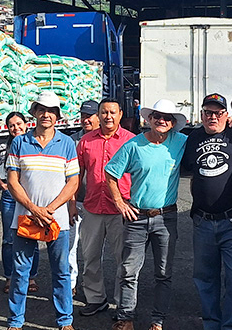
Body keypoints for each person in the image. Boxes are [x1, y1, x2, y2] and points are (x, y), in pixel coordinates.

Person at [106, 99, 188, 330]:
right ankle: (126, 318)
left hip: (167, 217)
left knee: (163, 274)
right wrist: (120, 203)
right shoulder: (134, 145)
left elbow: (209, 137)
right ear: (149, 119)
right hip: (137, 218)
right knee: (129, 271)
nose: (162, 121)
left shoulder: (181, 141)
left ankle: (158, 321)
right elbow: (111, 173)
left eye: (167, 118)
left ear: (173, 123)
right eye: (158, 116)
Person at [181, 93, 232, 330]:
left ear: (227, 114)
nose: (212, 117)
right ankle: (211, 323)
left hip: (231, 220)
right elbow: (186, 169)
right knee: (205, 278)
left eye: (218, 113)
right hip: (202, 221)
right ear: (202, 115)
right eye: (208, 112)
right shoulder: (193, 137)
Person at [6, 91, 79, 330]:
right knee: (20, 272)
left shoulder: (66, 143)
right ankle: (15, 322)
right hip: (26, 218)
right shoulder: (19, 142)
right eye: (41, 109)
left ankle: (65, 321)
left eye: (51, 111)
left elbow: (73, 183)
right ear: (34, 113)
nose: (46, 114)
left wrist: (50, 209)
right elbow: (13, 181)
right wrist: (33, 208)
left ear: (57, 116)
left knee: (61, 272)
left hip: (56, 219)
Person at [76, 99, 132, 317]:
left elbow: (138, 175)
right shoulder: (86, 141)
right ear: (98, 115)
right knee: (90, 257)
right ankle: (95, 298)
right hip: (92, 208)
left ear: (120, 115)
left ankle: (123, 303)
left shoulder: (131, 141)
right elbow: (77, 176)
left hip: (121, 209)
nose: (108, 116)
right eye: (104, 112)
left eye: (112, 112)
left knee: (124, 260)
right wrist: (72, 204)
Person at [0, 112, 40, 295]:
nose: (16, 128)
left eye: (19, 124)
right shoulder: (4, 148)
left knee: (32, 235)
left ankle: (31, 277)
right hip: (10, 196)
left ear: (26, 124)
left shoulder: (33, 144)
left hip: (31, 196)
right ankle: (10, 278)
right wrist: (1, 184)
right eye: (11, 125)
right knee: (9, 239)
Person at [67, 100, 100, 297]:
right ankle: (70, 284)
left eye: (90, 116)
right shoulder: (71, 141)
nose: (86, 119)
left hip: (97, 204)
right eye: (83, 116)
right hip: (75, 202)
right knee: (71, 247)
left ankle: (92, 289)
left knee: (93, 250)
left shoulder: (103, 140)